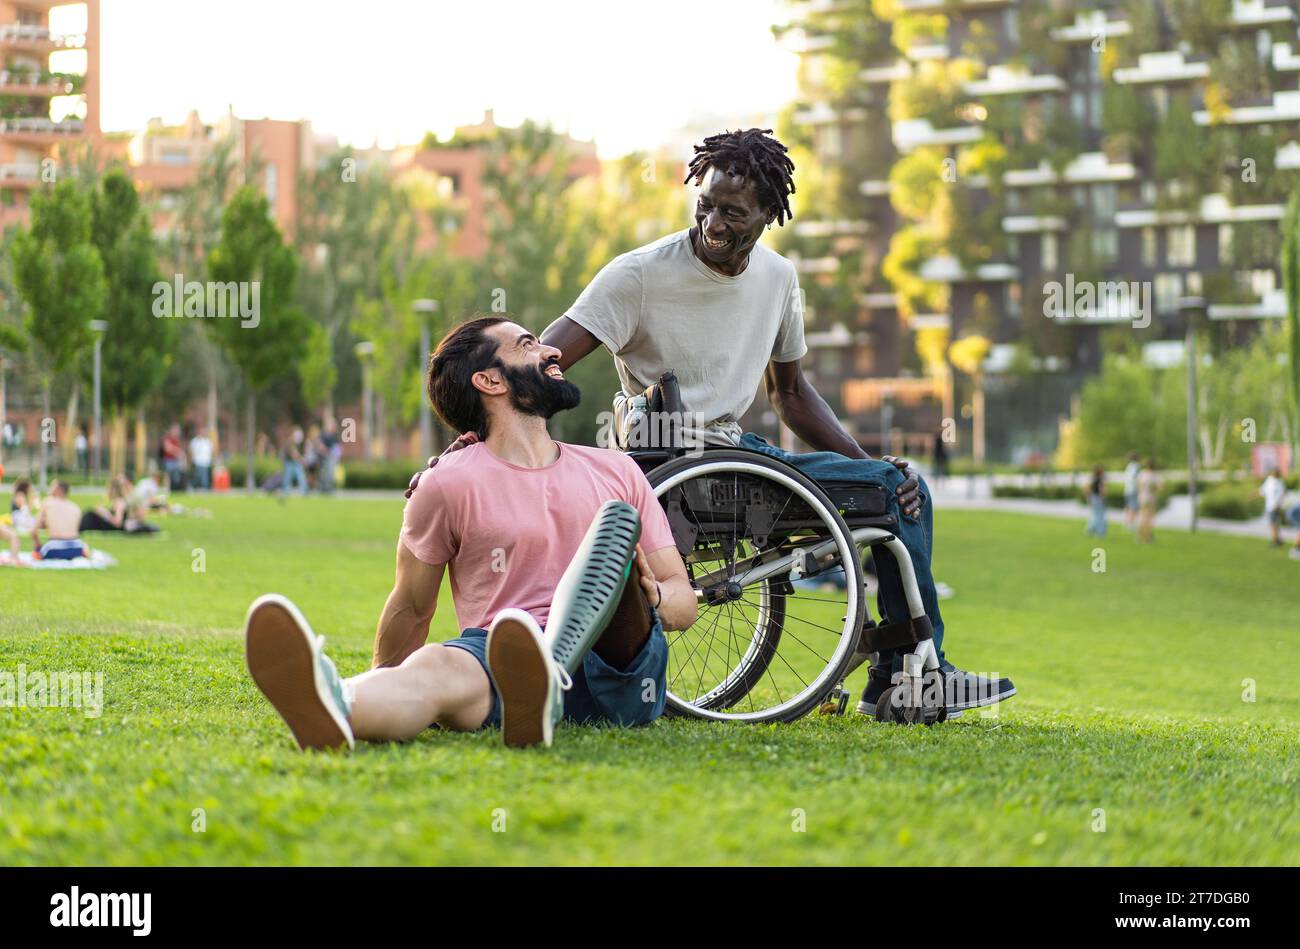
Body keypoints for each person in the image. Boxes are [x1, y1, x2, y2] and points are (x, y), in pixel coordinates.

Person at [409, 129, 1012, 717]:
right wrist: (472, 442)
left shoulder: (778, 279)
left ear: (770, 213)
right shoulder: (639, 274)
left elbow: (793, 395)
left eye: (734, 213)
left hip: (736, 453)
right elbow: (537, 361)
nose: (715, 225)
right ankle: (911, 675)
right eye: (706, 207)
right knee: (895, 493)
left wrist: (867, 464)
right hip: (665, 454)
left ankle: (902, 673)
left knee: (899, 488)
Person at [245, 316, 695, 751]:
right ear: (491, 381)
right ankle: (337, 704)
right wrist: (379, 679)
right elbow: (411, 607)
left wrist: (649, 594)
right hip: (506, 661)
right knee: (436, 665)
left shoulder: (615, 469)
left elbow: (684, 601)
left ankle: (550, 673)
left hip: (614, 665)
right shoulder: (446, 482)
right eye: (527, 344)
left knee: (613, 525)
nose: (552, 350)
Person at [33, 480, 88, 560]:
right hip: (77, 547)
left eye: (51, 487)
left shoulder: (48, 502)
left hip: (55, 547)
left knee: (37, 554)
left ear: (58, 489)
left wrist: (38, 546)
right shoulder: (75, 507)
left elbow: (33, 531)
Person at [1136, 458, 1162, 544]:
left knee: (1143, 517)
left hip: (1142, 497)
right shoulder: (1155, 475)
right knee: (1149, 518)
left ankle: (1141, 535)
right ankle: (1148, 536)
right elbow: (1160, 487)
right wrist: (1154, 490)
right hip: (1151, 498)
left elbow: (1138, 485)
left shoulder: (1142, 474)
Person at [1260, 467, 1286, 548]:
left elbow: (1281, 494)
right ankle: (1277, 539)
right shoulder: (1269, 480)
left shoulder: (1280, 482)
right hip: (1270, 505)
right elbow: (1262, 491)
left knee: (1274, 524)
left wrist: (1277, 505)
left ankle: (1275, 541)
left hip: (1274, 506)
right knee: (1274, 524)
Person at [281, 426, 308, 496]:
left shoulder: (297, 443)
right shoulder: (290, 442)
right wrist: (302, 460)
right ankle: (285, 492)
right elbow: (294, 454)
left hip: (295, 462)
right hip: (289, 462)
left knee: (301, 476)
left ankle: (304, 491)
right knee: (287, 478)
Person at [1084, 465, 1107, 538]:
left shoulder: (1092, 478)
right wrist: (1103, 496)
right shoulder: (1100, 480)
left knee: (1094, 514)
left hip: (1093, 497)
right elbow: (1102, 491)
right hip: (1098, 498)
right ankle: (1100, 532)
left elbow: (1086, 488)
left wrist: (1088, 496)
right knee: (1100, 516)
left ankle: (1090, 528)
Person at [161, 424, 185, 492]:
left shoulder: (177, 439)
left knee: (176, 477)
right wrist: (177, 451)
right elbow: (168, 448)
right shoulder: (167, 438)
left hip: (175, 460)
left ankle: (176, 490)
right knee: (168, 475)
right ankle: (167, 489)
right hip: (169, 460)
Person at [1122, 451, 1141, 529]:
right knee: (1133, 507)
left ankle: (1126, 522)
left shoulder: (1128, 466)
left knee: (1128, 507)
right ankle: (1131, 524)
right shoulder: (1136, 466)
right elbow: (1135, 478)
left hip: (1127, 489)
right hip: (1133, 489)